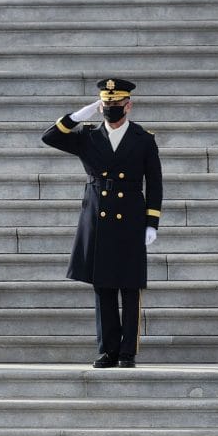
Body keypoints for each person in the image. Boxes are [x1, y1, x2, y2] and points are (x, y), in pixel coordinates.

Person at [42, 78, 163, 368]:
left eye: (116, 104)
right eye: (105, 104)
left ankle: (127, 352)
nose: (110, 109)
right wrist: (76, 117)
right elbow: (50, 137)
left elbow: (155, 183)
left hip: (131, 216)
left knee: (130, 287)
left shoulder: (143, 138)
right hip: (98, 217)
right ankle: (108, 350)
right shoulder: (88, 135)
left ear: (128, 105)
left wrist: (151, 222)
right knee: (103, 288)